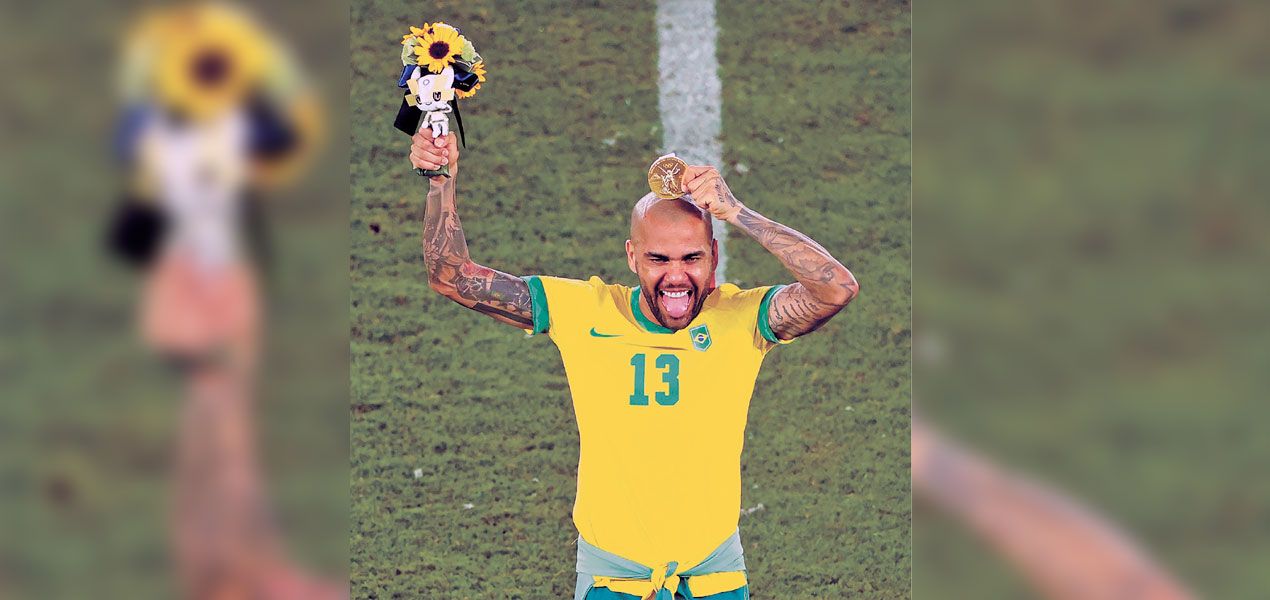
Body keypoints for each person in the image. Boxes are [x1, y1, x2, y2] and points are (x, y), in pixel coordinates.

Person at [411, 130, 859, 599]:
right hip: (614, 580)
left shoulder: (742, 317)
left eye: (692, 258)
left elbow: (837, 289)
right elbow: (452, 278)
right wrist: (441, 181)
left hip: (715, 578)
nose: (676, 276)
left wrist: (737, 213)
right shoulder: (584, 312)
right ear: (632, 256)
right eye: (658, 259)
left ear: (714, 255)